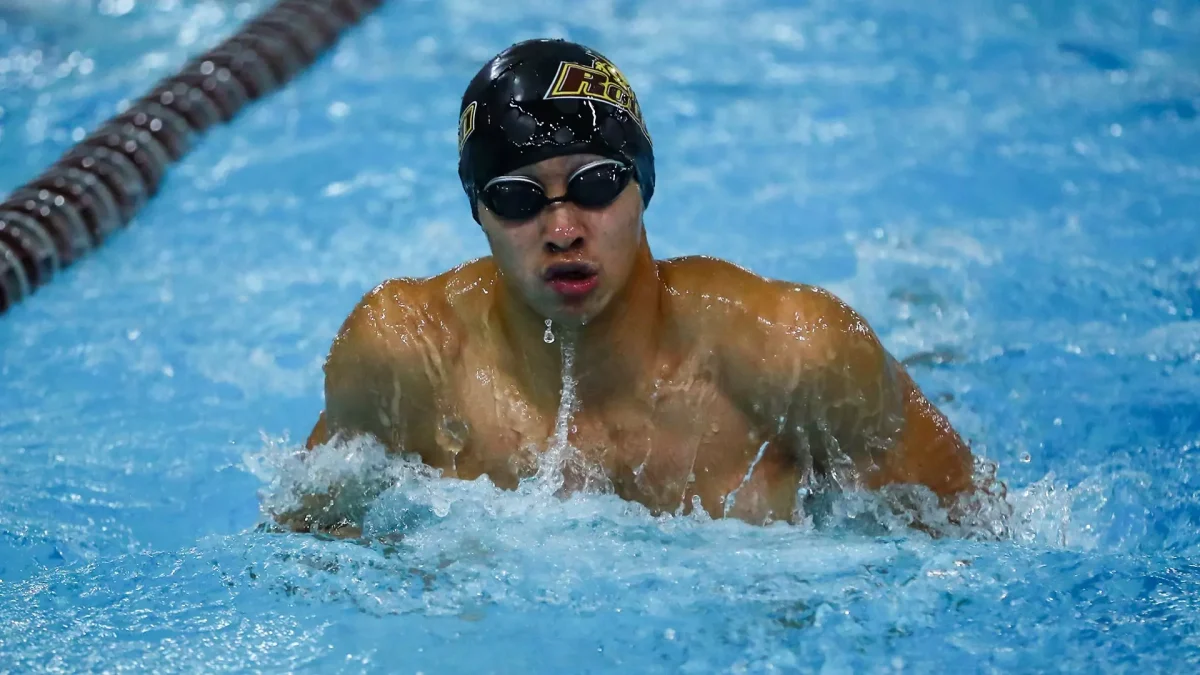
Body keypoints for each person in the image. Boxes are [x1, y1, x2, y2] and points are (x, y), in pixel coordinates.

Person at [281, 38, 979, 535]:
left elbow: (981, 546)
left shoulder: (794, 354)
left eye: (594, 185)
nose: (562, 228)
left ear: (643, 186)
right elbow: (300, 554)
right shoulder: (409, 356)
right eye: (519, 199)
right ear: (480, 214)